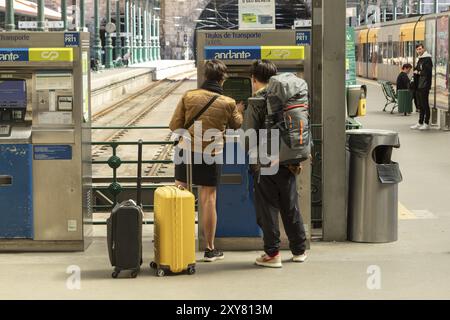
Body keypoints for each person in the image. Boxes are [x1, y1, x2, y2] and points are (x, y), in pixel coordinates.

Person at [169, 60, 244, 262]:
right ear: (223, 78)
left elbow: (174, 125)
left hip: (185, 150)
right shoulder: (227, 102)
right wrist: (240, 109)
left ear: (205, 77)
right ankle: (210, 249)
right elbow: (236, 124)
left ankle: (178, 244)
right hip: (211, 153)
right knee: (208, 198)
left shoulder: (189, 96)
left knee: (180, 194)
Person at [242, 60, 307, 268]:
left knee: (268, 208)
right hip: (288, 159)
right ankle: (299, 250)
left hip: (265, 161)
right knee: (290, 206)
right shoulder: (287, 96)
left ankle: (272, 254)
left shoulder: (257, 100)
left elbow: (248, 137)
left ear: (254, 79)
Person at [411, 44, 433, 130]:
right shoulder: (420, 59)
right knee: (420, 104)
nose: (419, 51)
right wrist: (418, 71)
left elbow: (427, 72)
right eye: (417, 50)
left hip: (425, 85)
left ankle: (426, 123)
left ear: (423, 49)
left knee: (425, 104)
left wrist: (419, 72)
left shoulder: (427, 59)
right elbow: (416, 69)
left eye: (420, 49)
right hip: (419, 85)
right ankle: (420, 122)